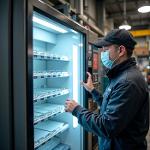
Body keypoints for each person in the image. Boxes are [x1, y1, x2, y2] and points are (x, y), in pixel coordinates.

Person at [65, 29, 149, 150]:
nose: (102, 53)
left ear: (121, 50)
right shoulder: (121, 75)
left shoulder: (127, 82)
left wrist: (77, 110)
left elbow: (107, 126)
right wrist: (93, 91)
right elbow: (112, 105)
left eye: (106, 49)